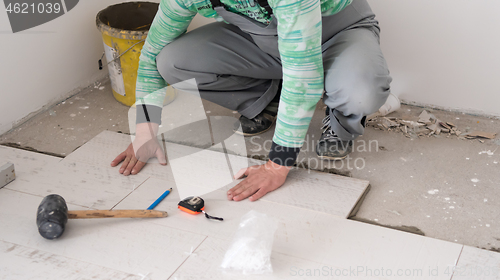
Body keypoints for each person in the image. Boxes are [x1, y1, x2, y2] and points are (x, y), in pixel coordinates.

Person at [111, 0, 392, 202]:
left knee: (360, 93)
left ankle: (341, 117)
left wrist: (276, 165)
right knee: (172, 61)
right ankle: (265, 97)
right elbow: (151, 55)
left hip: (335, 36)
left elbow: (303, 75)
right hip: (268, 44)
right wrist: (145, 132)